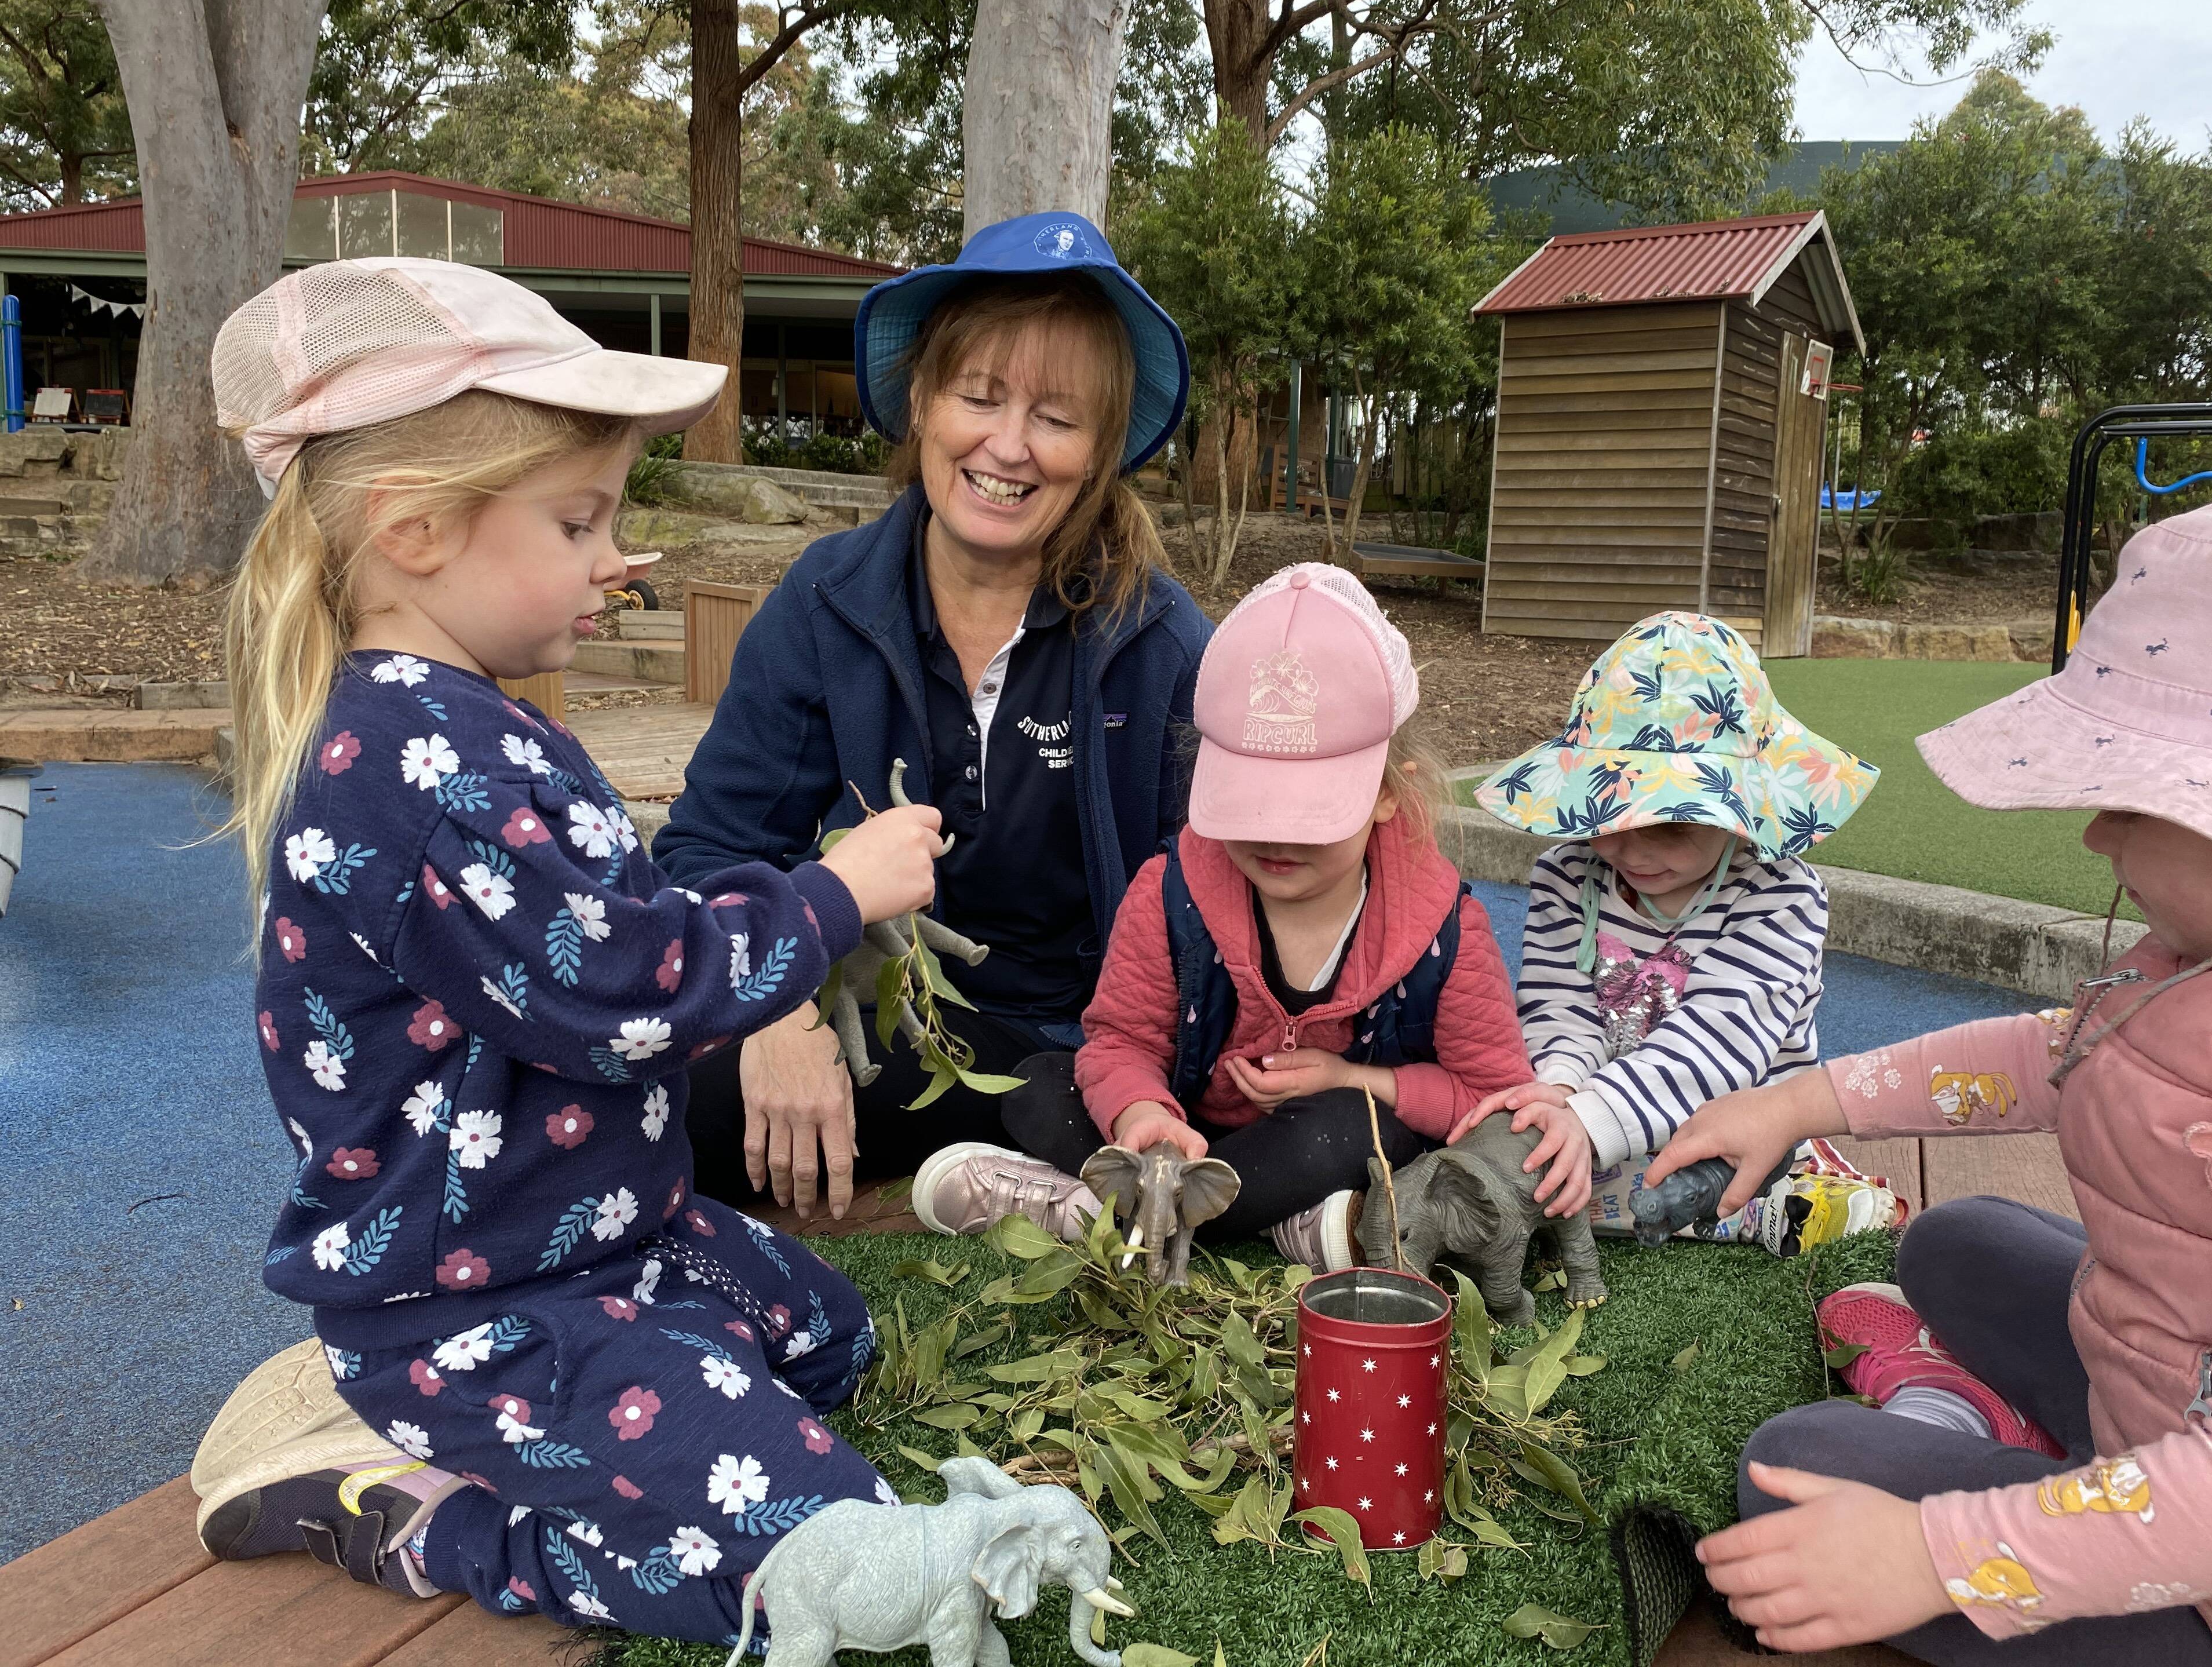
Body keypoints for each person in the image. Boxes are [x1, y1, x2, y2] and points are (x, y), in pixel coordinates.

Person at [191, 258, 948, 1646]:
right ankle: (437, 1519)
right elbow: (623, 991)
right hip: (476, 1307)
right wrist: (834, 898)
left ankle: (631, 1400)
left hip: (599, 1237)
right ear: (414, 531)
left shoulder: (465, 713)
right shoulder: (415, 772)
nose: (620, 557)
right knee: (843, 1567)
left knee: (831, 1343)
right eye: (578, 519)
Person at [1653, 488, 2212, 1666]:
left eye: (2131, 798)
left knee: (1800, 1477)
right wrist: (1801, 1100)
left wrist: (1934, 1554)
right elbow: (2050, 1058)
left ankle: (2042, 1494)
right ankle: (2048, 1460)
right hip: (2171, 1385)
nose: (2096, 838)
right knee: (1954, 1242)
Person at [652, 210, 1209, 1223]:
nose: (1008, 446)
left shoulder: (1160, 642)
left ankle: (1015, 1169)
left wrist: (1137, 1074)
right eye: (978, 396)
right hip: (875, 1018)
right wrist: (781, 1008)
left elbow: (1212, 908)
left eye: (1056, 415)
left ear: (1102, 449)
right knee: (646, 1096)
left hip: (1083, 1046)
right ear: (920, 399)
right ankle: (994, 1179)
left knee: (1115, 1103)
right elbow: (702, 853)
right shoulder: (826, 602)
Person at [910, 564, 1536, 1271]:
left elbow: (1491, 1099)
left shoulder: (1446, 930)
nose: (1275, 837)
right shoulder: (1171, 891)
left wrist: (1356, 1080)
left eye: (1310, 811)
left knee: (1355, 1129)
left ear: (1391, 793)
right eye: (1249, 802)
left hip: (1314, 1140)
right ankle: (1266, 1222)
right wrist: (1143, 1117)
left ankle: (1096, 1210)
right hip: (1185, 1136)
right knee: (1037, 1084)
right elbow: (1119, 1042)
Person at [1452, 612, 1879, 1234]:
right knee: (1528, 1164)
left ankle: (1797, 1201)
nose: (1633, 851)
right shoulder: (1569, 875)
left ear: (1741, 811)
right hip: (1604, 1114)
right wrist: (1563, 1091)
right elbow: (1558, 1004)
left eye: (1673, 826)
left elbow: (1716, 1043)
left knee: (1742, 1189)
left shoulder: (1781, 898)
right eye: (1609, 816)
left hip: (1737, 1121)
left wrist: (1593, 1119)